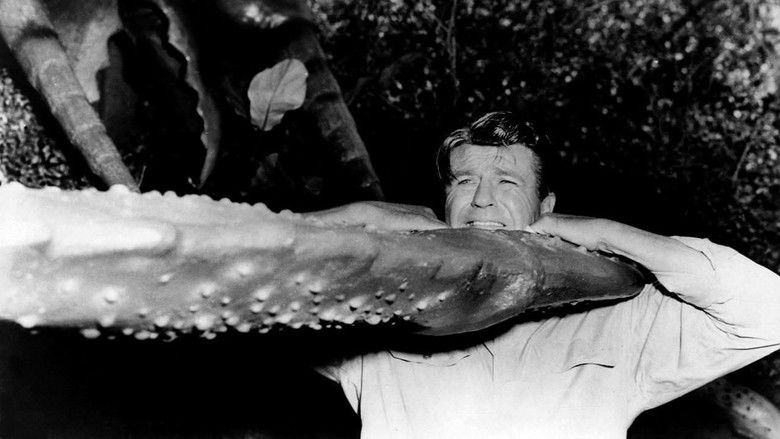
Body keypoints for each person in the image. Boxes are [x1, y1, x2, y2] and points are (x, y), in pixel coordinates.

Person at [310, 111, 780, 438]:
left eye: (507, 183)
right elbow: (268, 295)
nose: (482, 200)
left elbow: (768, 312)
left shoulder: (615, 322)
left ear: (546, 206)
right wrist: (359, 220)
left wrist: (607, 233)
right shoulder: (383, 312)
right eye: (465, 182)